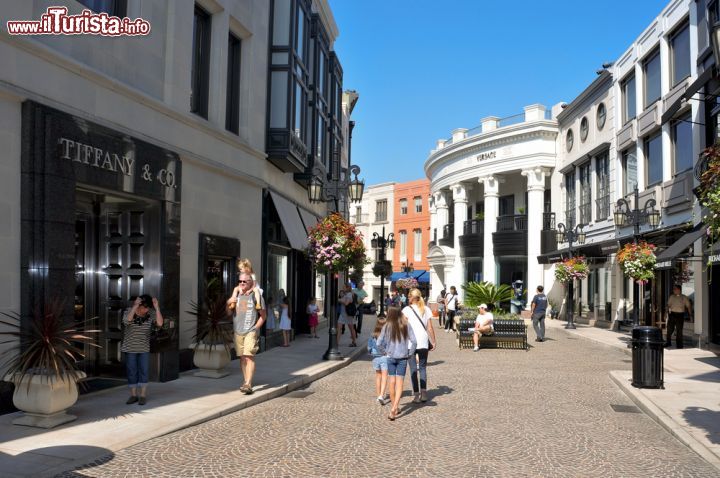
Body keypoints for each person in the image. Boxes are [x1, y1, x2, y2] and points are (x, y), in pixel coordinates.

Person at [227, 271, 266, 394]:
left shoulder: (256, 295)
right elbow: (229, 313)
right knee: (243, 357)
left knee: (249, 356)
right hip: (238, 331)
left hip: (250, 331)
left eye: (245, 281)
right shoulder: (237, 295)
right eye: (240, 281)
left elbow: (263, 316)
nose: (242, 283)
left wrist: (255, 328)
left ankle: (248, 383)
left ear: (251, 283)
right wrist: (229, 302)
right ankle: (245, 381)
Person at [122, 294, 163, 405]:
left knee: (144, 371)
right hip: (130, 348)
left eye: (148, 308)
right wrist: (135, 306)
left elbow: (160, 323)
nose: (146, 310)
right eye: (144, 307)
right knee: (132, 372)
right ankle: (133, 395)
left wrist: (157, 307)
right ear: (139, 305)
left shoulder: (150, 314)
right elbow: (127, 321)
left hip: (144, 348)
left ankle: (143, 395)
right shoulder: (129, 311)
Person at [378, 306, 417, 421]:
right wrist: (410, 353)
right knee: (400, 383)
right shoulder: (406, 324)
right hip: (403, 357)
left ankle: (394, 407)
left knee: (392, 382)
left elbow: (379, 342)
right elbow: (414, 341)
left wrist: (385, 352)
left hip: (390, 357)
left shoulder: (387, 326)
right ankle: (394, 408)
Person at [403, 288, 436, 403]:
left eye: (409, 296)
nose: (408, 298)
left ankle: (416, 395)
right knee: (422, 368)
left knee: (413, 369)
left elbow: (403, 328)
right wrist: (433, 341)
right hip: (423, 341)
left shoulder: (406, 310)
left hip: (410, 342)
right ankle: (424, 393)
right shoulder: (426, 309)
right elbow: (430, 328)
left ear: (413, 297)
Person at [367, 317, 389, 405]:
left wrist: (371, 352)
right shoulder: (387, 335)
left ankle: (378, 395)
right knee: (384, 376)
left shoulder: (372, 335)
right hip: (384, 357)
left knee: (378, 376)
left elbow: (369, 347)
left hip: (375, 357)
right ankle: (381, 395)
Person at [666, 284, 692, 349]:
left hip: (680, 315)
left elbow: (688, 306)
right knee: (669, 329)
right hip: (672, 314)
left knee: (679, 330)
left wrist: (690, 316)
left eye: (675, 289)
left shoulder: (684, 297)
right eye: (673, 289)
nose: (673, 290)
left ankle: (679, 345)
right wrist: (665, 314)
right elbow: (668, 306)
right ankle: (668, 342)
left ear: (679, 290)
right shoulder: (672, 297)